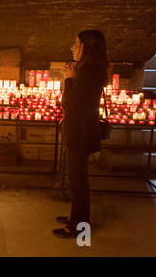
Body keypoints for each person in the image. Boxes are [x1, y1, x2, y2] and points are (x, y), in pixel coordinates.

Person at [53, 30, 109, 238]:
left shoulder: (89, 72)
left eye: (76, 44)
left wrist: (69, 79)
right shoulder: (90, 70)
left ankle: (78, 227)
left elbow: (69, 103)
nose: (72, 47)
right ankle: (76, 218)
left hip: (80, 131)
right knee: (77, 179)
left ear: (87, 47)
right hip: (82, 129)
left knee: (78, 182)